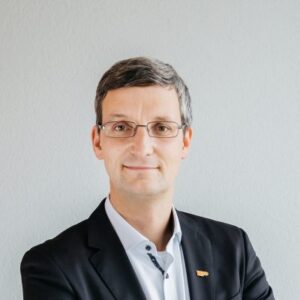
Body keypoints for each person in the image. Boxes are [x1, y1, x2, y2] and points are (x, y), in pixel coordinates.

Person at [21, 57, 275, 300]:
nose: (142, 147)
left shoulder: (233, 249)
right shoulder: (52, 266)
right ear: (98, 142)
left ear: (185, 142)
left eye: (161, 128)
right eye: (121, 127)